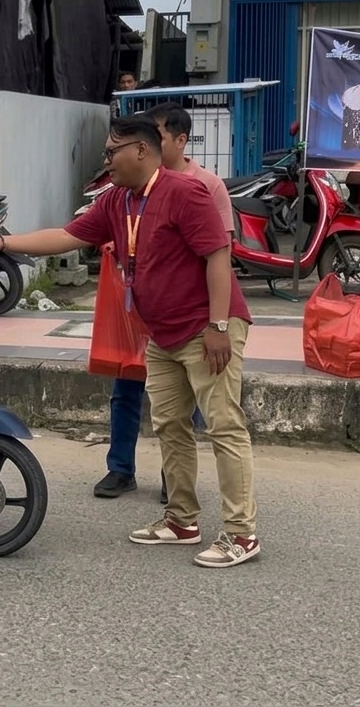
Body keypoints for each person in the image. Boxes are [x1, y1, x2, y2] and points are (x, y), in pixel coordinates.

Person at [0, 115, 260, 568]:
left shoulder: (185, 192)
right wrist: (4, 243)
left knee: (223, 426)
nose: (106, 161)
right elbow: (66, 235)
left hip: (206, 327)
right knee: (170, 425)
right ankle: (182, 521)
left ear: (141, 150)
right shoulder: (117, 200)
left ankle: (241, 533)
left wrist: (218, 327)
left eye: (112, 151)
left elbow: (218, 255)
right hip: (162, 332)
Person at [94, 102, 234, 503]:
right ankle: (121, 470)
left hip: (189, 316)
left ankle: (180, 485)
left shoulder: (200, 187)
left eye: (157, 134)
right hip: (140, 308)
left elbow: (219, 252)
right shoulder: (124, 193)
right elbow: (77, 232)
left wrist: (218, 324)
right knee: (128, 387)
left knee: (195, 410)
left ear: (176, 140)